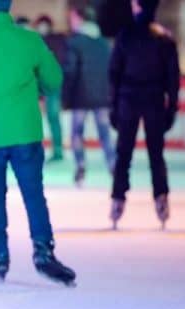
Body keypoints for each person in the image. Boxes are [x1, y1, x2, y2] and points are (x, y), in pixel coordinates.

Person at [0, 0, 77, 286]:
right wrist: (34, 87)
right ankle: (43, 249)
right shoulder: (29, 40)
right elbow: (54, 80)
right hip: (24, 131)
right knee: (33, 193)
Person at [109, 0, 179, 229]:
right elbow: (173, 77)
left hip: (129, 99)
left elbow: (114, 73)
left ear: (138, 7)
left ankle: (118, 199)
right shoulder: (164, 39)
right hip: (153, 99)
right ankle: (161, 198)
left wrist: (113, 106)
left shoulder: (125, 35)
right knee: (156, 154)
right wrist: (172, 106)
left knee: (124, 153)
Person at [63, 5, 115, 187]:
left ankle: (80, 166)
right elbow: (112, 71)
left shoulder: (75, 42)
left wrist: (66, 97)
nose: (71, 22)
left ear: (80, 18)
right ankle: (113, 164)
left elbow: (70, 71)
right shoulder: (104, 43)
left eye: (72, 18)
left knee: (77, 133)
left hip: (80, 95)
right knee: (105, 133)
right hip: (102, 96)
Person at [34, 14, 66, 163]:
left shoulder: (56, 40)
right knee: (38, 119)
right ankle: (44, 150)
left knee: (53, 118)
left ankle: (58, 150)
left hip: (52, 87)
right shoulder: (37, 41)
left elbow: (58, 64)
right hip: (41, 86)